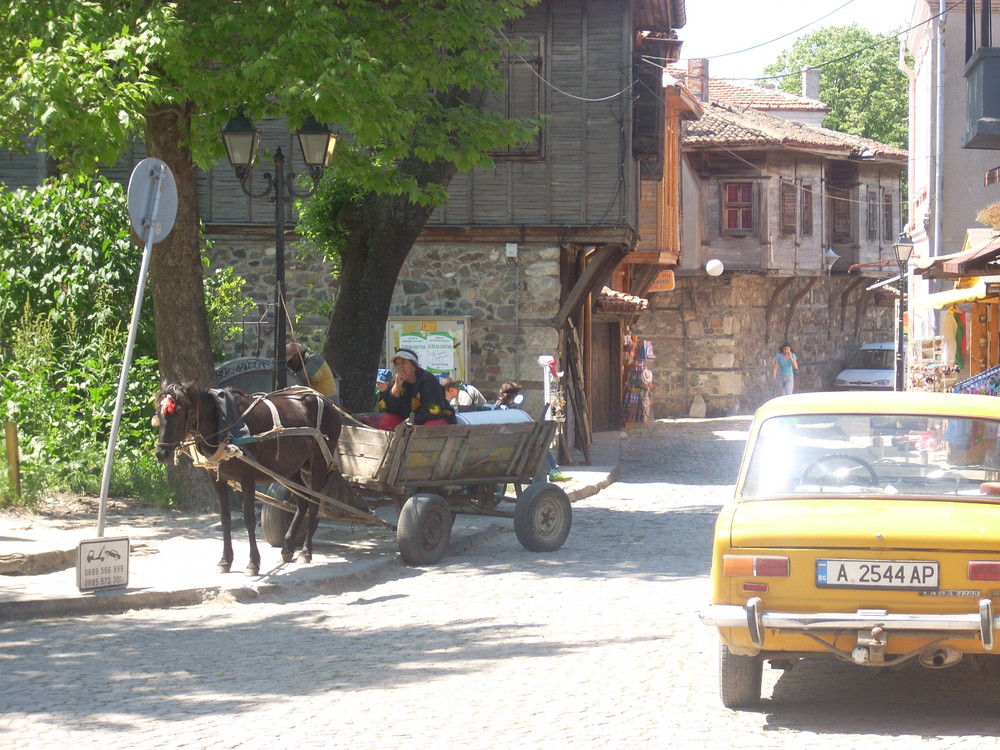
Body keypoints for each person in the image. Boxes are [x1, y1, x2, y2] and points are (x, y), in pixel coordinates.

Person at [494, 382, 568, 481]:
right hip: (510, 444)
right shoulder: (505, 409)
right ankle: (553, 471)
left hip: (507, 441)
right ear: (513, 395)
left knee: (538, 444)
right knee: (539, 445)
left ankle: (553, 470)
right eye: (517, 394)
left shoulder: (499, 407)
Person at [376, 348, 456, 430]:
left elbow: (433, 410)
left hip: (435, 418)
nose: (400, 367)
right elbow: (389, 409)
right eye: (397, 364)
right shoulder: (396, 381)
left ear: (414, 366)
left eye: (404, 363)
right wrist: (397, 386)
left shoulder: (427, 380)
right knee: (388, 420)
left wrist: (411, 421)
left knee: (430, 426)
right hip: (407, 419)